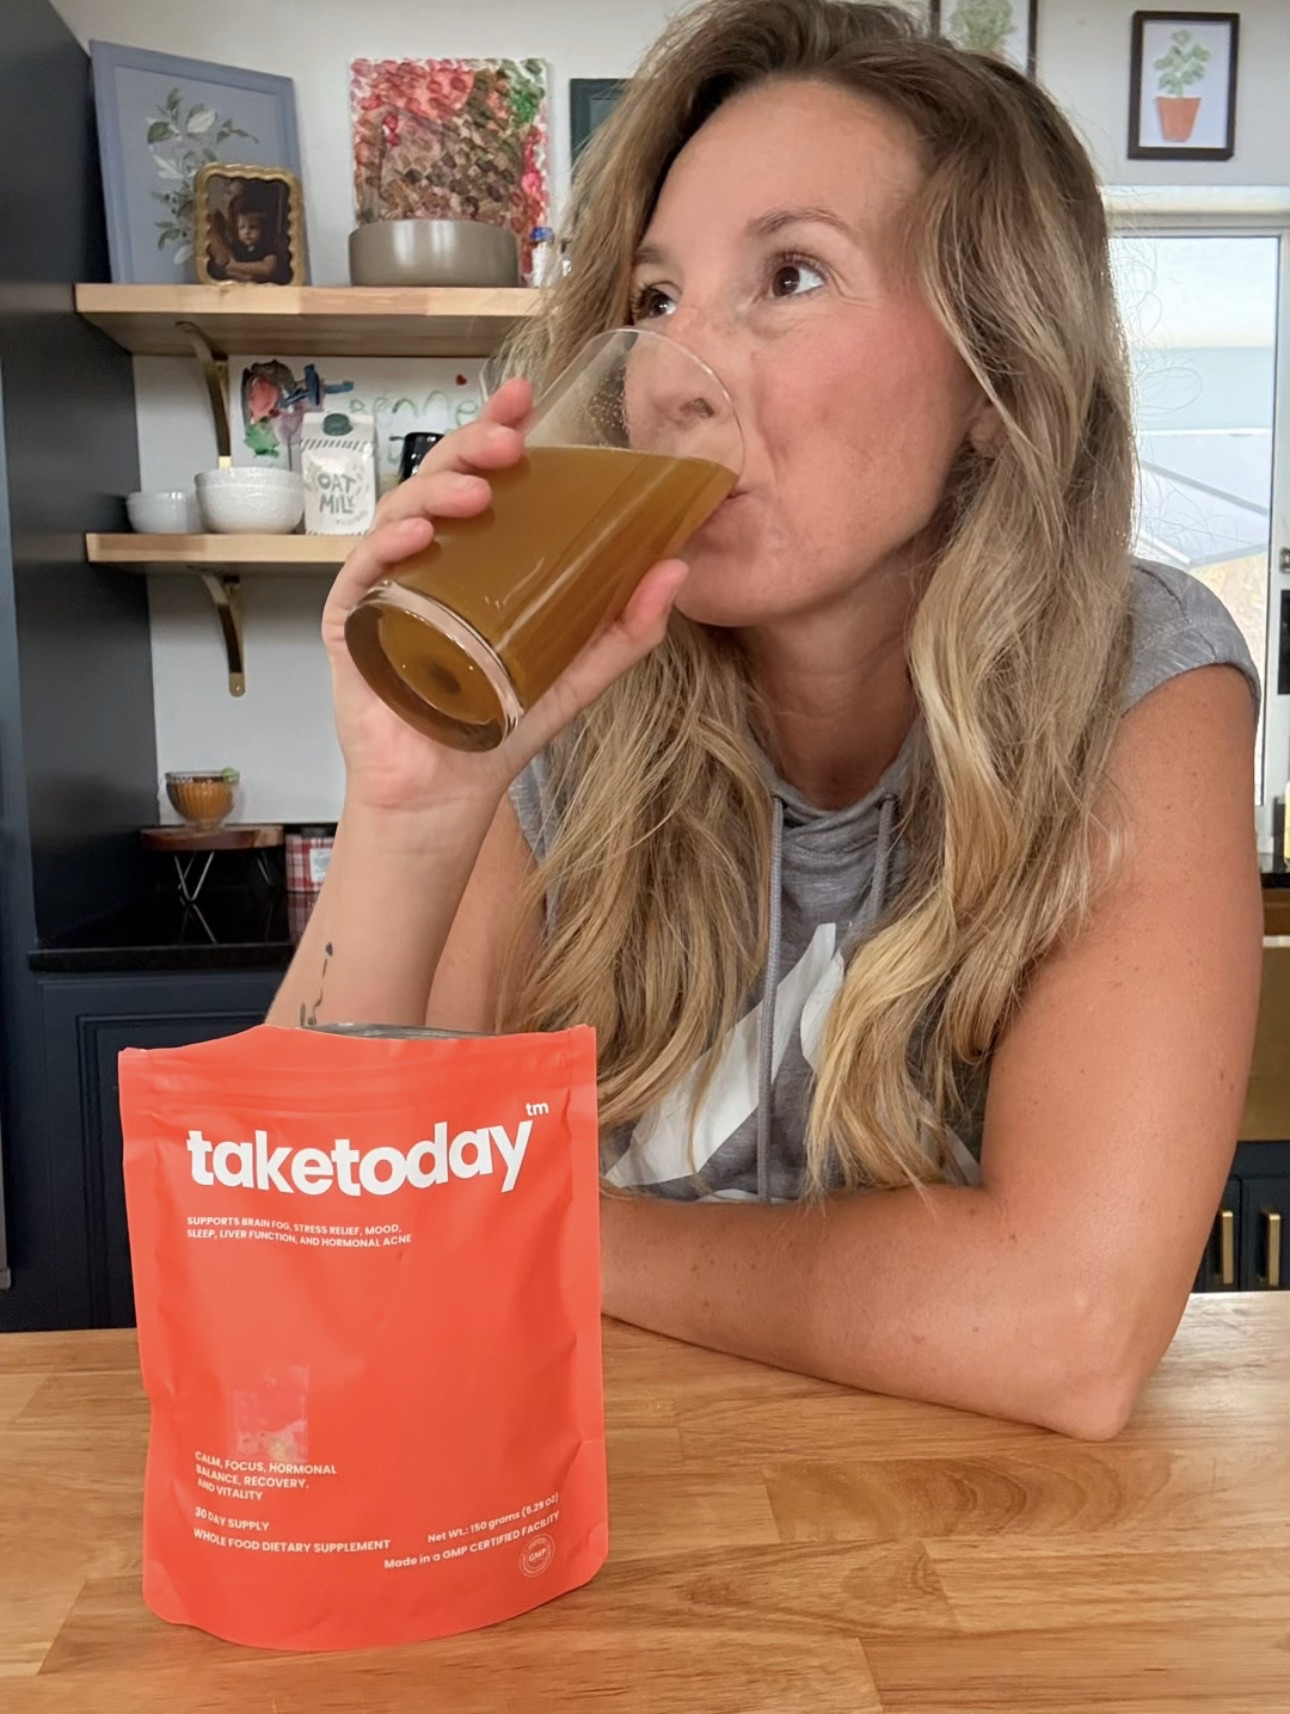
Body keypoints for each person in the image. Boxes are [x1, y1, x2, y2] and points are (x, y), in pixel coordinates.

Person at [269, 0, 1263, 1439]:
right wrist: (413, 800)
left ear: (995, 375)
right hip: (596, 1538)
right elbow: (296, 1254)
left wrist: (523, 1213)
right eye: (656, 301)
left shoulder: (1135, 677)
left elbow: (1065, 1323)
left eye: (790, 275)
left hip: (964, 1581)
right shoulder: (565, 694)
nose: (676, 375)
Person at [207, 178, 291, 284]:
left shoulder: (265, 243)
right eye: (228, 193)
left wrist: (237, 267)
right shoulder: (216, 223)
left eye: (238, 197)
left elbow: (268, 268)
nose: (231, 201)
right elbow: (225, 265)